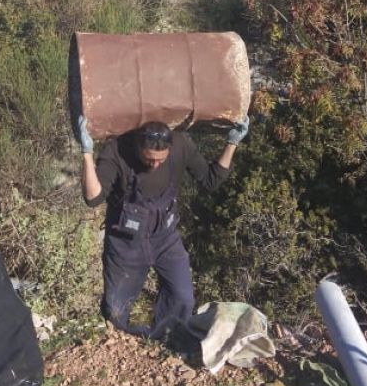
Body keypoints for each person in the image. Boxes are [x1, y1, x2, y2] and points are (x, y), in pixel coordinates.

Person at [78, 116, 249, 339]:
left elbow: (210, 180)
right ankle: (123, 348)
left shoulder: (181, 145)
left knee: (183, 298)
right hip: (125, 245)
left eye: (161, 160)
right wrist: (87, 153)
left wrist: (232, 143)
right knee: (115, 311)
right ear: (138, 146)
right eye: (149, 160)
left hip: (165, 239)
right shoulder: (116, 152)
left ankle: (166, 341)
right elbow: (93, 198)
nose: (155, 164)